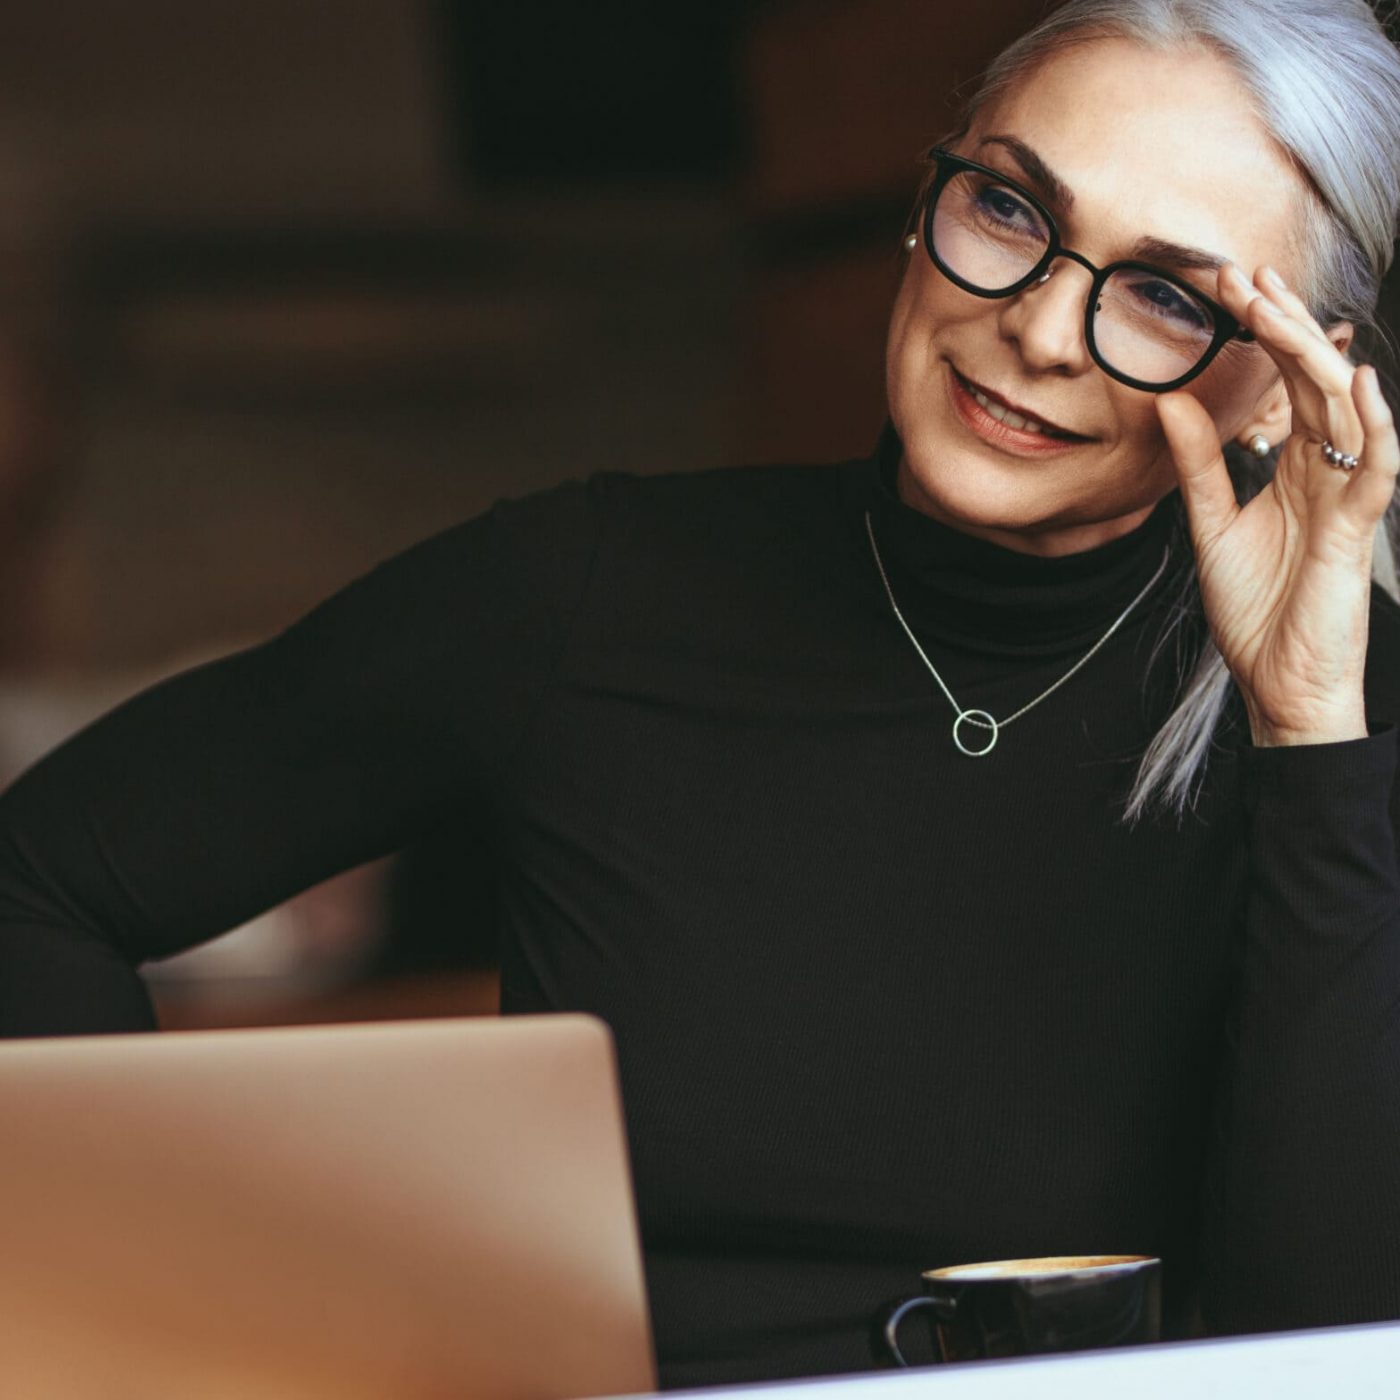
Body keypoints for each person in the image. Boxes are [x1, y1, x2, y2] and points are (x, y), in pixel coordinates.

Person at [2, 0, 1400, 1387]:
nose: (1038, 328)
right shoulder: (584, 592)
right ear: (928, 205)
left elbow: (1332, 1343)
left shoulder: (1352, 710)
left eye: (1166, 296)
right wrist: (179, 1326)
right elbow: (37, 882)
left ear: (1284, 387)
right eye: (1012, 211)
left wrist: (1310, 738)